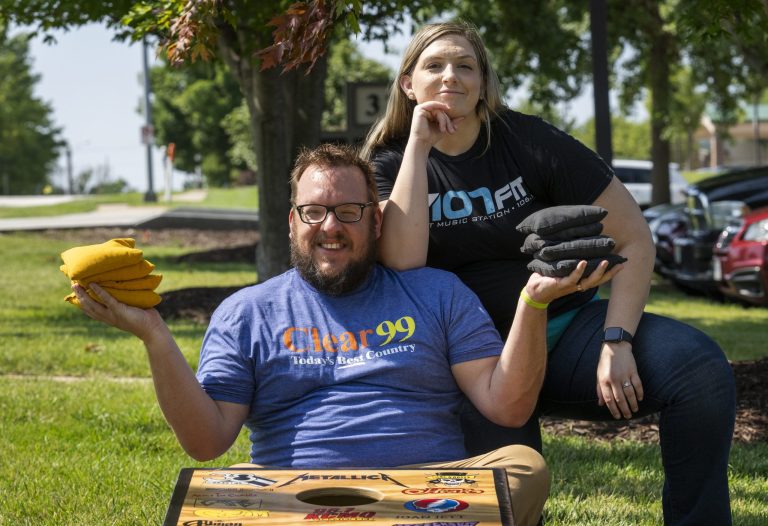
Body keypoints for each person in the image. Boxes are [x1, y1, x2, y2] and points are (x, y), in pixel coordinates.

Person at [71, 143, 618, 526]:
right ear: (292, 222)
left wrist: (532, 302)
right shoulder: (246, 313)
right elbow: (207, 441)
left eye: (349, 211)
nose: (330, 226)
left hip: (427, 494)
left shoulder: (436, 293)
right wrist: (155, 337)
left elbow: (507, 407)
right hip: (296, 490)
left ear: (376, 221)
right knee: (215, 489)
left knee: (523, 465)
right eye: (314, 211)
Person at [363, 20, 736, 526]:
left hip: (562, 330)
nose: (451, 76)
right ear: (409, 84)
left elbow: (633, 237)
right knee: (508, 500)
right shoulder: (390, 162)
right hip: (471, 360)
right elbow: (403, 262)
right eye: (434, 66)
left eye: (465, 66)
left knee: (700, 371)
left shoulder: (529, 140)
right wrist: (419, 146)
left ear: (483, 81)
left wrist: (617, 340)